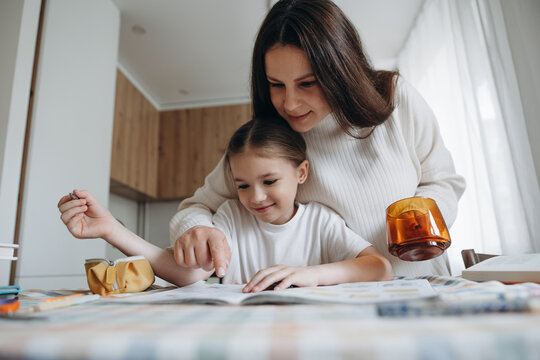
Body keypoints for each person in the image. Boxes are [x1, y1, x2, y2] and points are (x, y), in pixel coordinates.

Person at [169, 0, 466, 277]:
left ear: (339, 70)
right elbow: (196, 208)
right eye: (276, 85)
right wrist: (197, 229)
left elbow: (444, 181)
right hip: (337, 301)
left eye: (307, 83)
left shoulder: (395, 99)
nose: (290, 104)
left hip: (420, 278)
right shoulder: (271, 140)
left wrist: (419, 218)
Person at [58, 117, 393, 292]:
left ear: (301, 172)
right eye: (242, 185)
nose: (256, 197)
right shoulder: (231, 216)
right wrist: (110, 230)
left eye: (270, 181)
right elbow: (184, 273)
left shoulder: (321, 221)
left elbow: (380, 268)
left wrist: (311, 275)